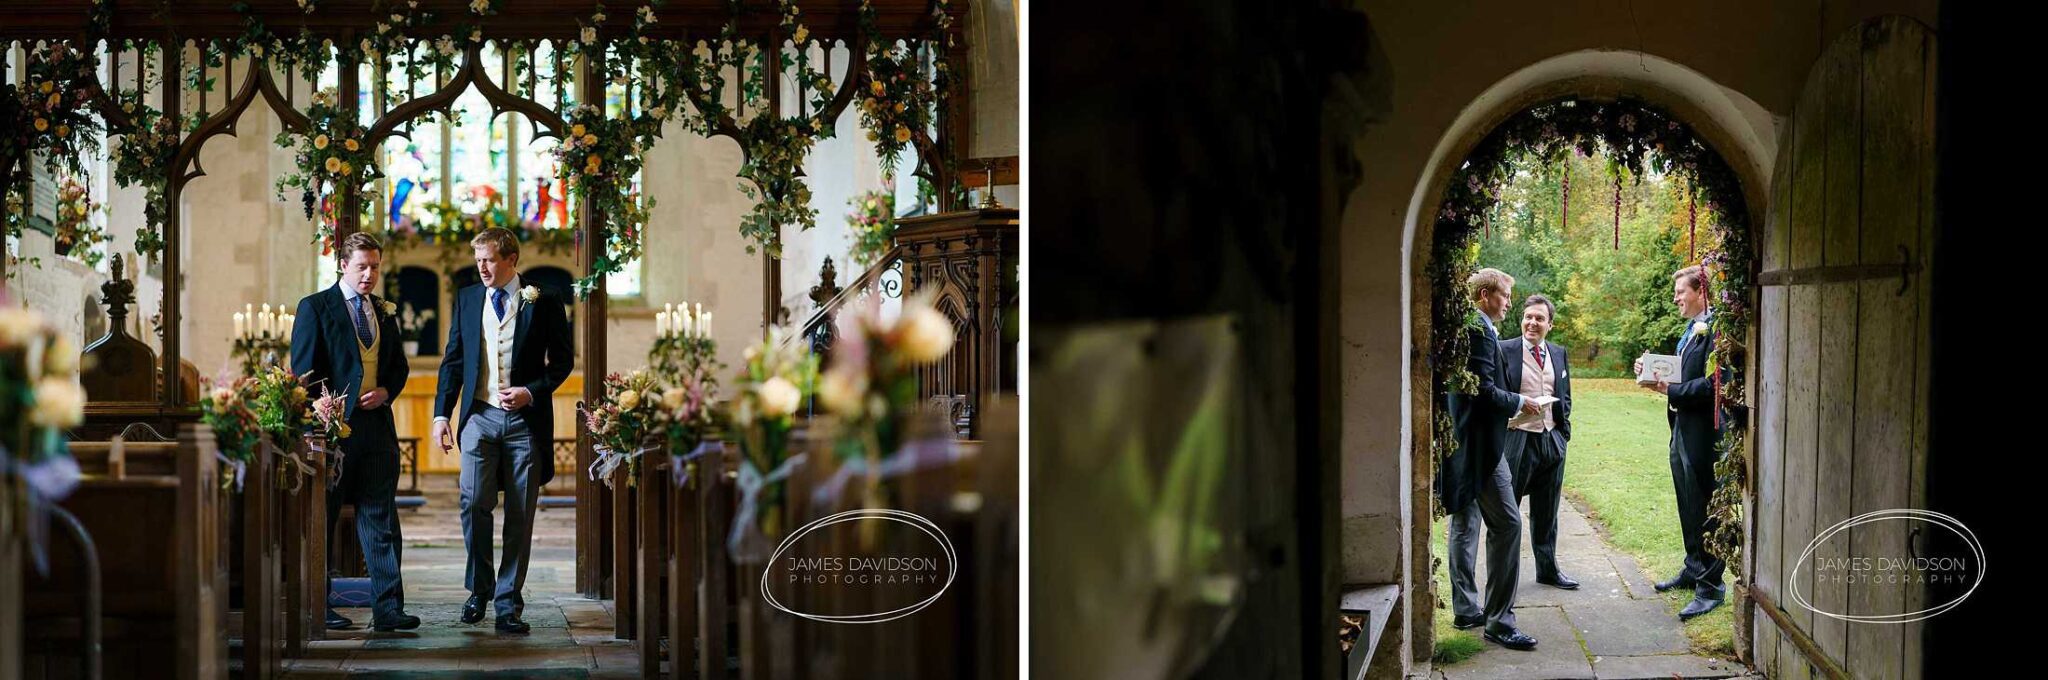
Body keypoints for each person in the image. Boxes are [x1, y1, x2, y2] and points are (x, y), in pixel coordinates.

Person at [429, 227, 575, 634]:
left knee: (519, 513)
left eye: (489, 260)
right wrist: (441, 415)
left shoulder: (544, 299)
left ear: (511, 259)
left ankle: (509, 602)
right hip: (479, 416)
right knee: (473, 501)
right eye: (478, 260)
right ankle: (480, 589)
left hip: (525, 424)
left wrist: (531, 391)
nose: (481, 268)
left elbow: (562, 362)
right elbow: (453, 361)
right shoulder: (467, 298)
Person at [289, 232, 418, 632]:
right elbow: (304, 371)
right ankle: (319, 605)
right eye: (362, 267)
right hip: (332, 433)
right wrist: (326, 407)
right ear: (343, 265)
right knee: (324, 517)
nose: (369, 275)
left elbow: (398, 366)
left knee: (381, 517)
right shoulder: (315, 307)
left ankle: (388, 609)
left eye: (375, 267)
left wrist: (386, 391)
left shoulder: (383, 311)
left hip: (377, 429)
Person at [1439, 268, 1541, 651]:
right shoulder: (1479, 331)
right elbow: (1482, 391)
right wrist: (1519, 402)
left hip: (1461, 440)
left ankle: (1467, 609)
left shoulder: (1465, 326)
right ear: (1485, 295)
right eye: (1505, 296)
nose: (1510, 304)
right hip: (1481, 447)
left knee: (1465, 522)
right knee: (1509, 525)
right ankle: (1499, 621)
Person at [1637, 265, 1727, 620]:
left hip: (1704, 434)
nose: (1675, 298)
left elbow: (1714, 385)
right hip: (1681, 429)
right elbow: (1681, 372)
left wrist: (1668, 390)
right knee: (1687, 503)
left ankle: (1711, 586)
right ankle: (1693, 567)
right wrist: (1650, 370)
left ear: (1700, 291)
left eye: (1680, 292)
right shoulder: (1691, 330)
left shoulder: (1717, 330)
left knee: (1704, 507)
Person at [1499, 294, 1576, 590]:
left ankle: (1548, 570)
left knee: (1547, 511)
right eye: (1528, 317)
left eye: (1539, 318)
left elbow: (1565, 395)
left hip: (1551, 439)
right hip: (1517, 440)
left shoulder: (1558, 352)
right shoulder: (1504, 349)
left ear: (1550, 324)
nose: (1532, 322)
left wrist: (1562, 434)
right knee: (1508, 512)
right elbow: (1494, 392)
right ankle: (1505, 578)